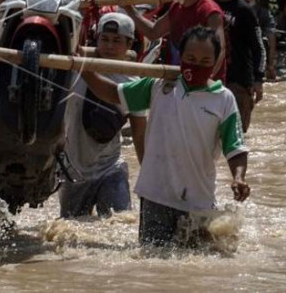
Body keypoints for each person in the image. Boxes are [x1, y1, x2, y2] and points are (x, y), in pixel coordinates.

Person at [81, 26, 250, 247]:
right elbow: (114, 93)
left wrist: (238, 177)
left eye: (204, 62)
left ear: (216, 62)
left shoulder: (223, 99)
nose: (196, 65)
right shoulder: (160, 86)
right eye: (190, 58)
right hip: (155, 196)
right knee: (153, 263)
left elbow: (235, 147)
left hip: (198, 201)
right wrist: (83, 69)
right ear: (181, 56)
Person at [59, 13, 148, 218]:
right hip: (72, 169)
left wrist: (148, 177)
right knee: (68, 231)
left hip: (110, 167)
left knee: (119, 222)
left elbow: (139, 134)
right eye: (104, 39)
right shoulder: (73, 70)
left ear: (129, 44)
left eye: (117, 41)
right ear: (96, 39)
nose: (109, 46)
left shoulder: (132, 82)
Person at [124, 0, 226, 80]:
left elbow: (219, 49)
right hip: (179, 80)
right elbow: (153, 32)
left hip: (204, 85)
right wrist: (129, 9)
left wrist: (206, 78)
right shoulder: (177, 6)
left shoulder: (209, 11)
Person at [212, 0, 265, 132]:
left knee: (236, 135)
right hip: (211, 79)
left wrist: (258, 80)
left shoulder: (245, 11)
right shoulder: (207, 6)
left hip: (239, 81)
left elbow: (258, 47)